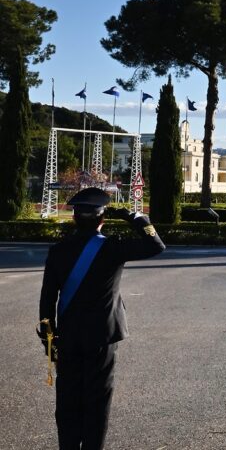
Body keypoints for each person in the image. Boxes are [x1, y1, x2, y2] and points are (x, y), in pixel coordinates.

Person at [38, 187, 165, 450]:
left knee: (68, 402)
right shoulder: (112, 248)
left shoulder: (58, 250)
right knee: (97, 402)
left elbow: (47, 300)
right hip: (102, 337)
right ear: (102, 219)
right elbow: (156, 245)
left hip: (68, 338)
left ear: (74, 218)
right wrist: (135, 217)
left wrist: (50, 342)